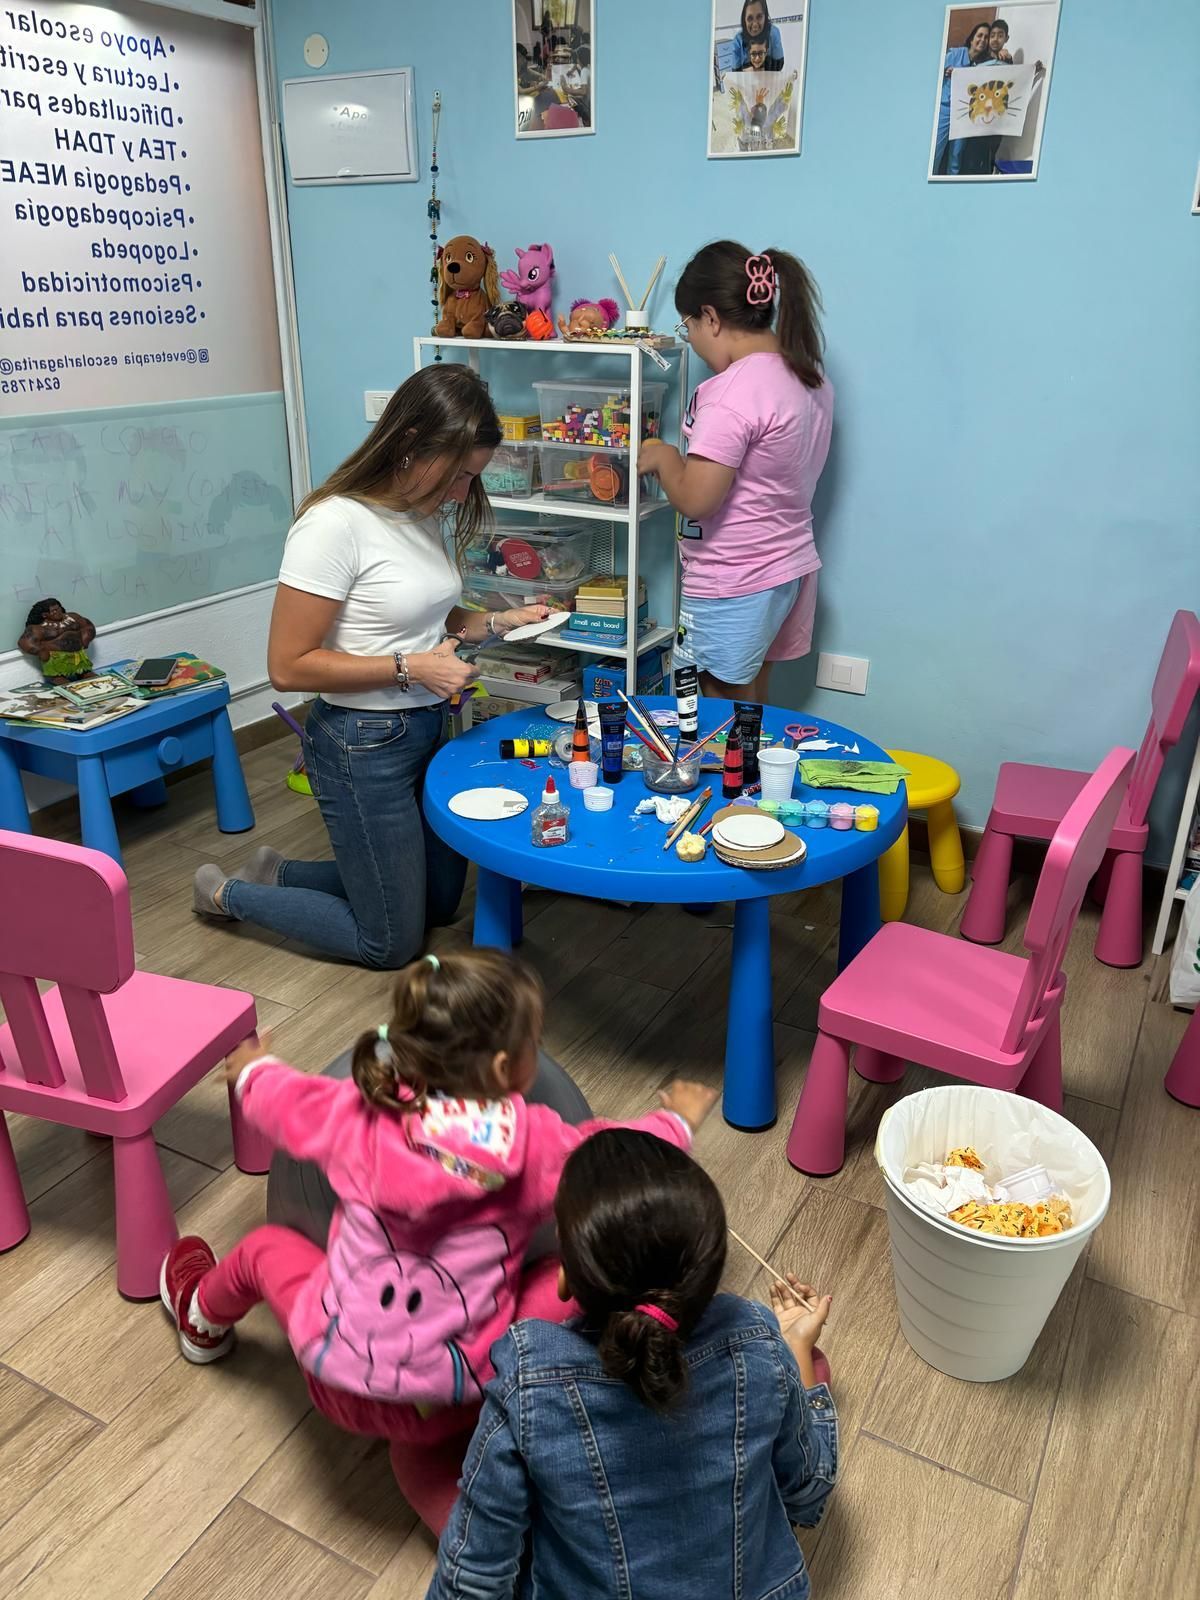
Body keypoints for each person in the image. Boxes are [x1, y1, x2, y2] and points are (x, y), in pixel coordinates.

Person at [159, 949, 718, 1534]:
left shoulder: (355, 1114)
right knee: (560, 1274)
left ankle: (202, 1316)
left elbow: (281, 1102)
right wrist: (675, 1121)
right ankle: (477, 1525)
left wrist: (253, 1067)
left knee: (263, 1249)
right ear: (507, 1068)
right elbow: (609, 1160)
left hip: (341, 1379)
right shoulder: (532, 1146)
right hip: (464, 1389)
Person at [190, 366, 548, 969]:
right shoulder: (333, 525)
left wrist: (496, 622)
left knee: (440, 905)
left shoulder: (421, 510)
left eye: (472, 476)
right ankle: (227, 893)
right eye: (459, 473)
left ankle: (282, 870)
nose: (463, 491)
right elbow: (287, 665)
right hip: (362, 745)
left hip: (428, 729)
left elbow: (422, 614)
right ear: (410, 443)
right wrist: (412, 669)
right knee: (390, 943)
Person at [426, 1129, 837, 1599]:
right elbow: (808, 1495)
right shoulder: (757, 1344)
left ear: (564, 1276)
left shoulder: (531, 1381)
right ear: (708, 1274)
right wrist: (794, 1349)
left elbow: (473, 1579)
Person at [638, 240, 832, 702]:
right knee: (749, 702)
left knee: (713, 710)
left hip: (734, 579)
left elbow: (698, 500)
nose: (696, 344)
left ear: (711, 317)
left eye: (688, 329)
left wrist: (664, 457)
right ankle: (750, 776)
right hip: (788, 568)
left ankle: (724, 776)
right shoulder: (810, 379)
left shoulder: (730, 393)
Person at [933, 19, 992, 176]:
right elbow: (933, 72)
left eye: (986, 37)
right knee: (935, 153)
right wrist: (945, 71)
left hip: (965, 114)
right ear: (972, 39)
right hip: (945, 109)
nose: (983, 40)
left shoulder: (985, 64)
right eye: (980, 35)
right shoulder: (955, 54)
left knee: (956, 158)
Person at [731, 0, 784, 72]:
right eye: (750, 18)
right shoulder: (738, 39)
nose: (755, 25)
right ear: (744, 19)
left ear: (765, 16)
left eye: (759, 17)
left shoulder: (773, 33)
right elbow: (735, 72)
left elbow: (779, 65)